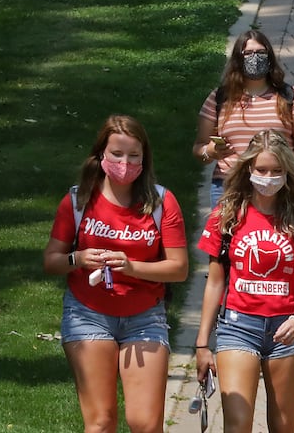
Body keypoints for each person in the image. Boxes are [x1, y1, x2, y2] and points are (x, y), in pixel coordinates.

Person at [42, 114, 189, 433]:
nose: (125, 163)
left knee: (146, 424)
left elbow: (178, 269)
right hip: (87, 315)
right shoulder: (78, 200)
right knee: (100, 422)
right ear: (101, 155)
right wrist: (78, 258)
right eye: (117, 154)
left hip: (145, 316)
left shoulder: (162, 202)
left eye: (133, 155)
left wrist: (131, 266)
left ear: (144, 158)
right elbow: (51, 260)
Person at [194, 130, 294, 432]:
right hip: (237, 326)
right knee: (238, 423)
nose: (268, 177)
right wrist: (202, 343)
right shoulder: (227, 214)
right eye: (262, 170)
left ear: (288, 172)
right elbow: (215, 282)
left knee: (283, 425)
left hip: (286, 330)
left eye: (277, 171)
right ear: (248, 170)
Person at [192, 30, 294, 207]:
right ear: (238, 58)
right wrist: (210, 152)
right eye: (249, 53)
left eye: (261, 53)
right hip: (229, 188)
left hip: (278, 187)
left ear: (270, 57)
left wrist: (285, 172)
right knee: (227, 235)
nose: (255, 58)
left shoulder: (290, 96)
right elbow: (199, 148)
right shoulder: (219, 98)